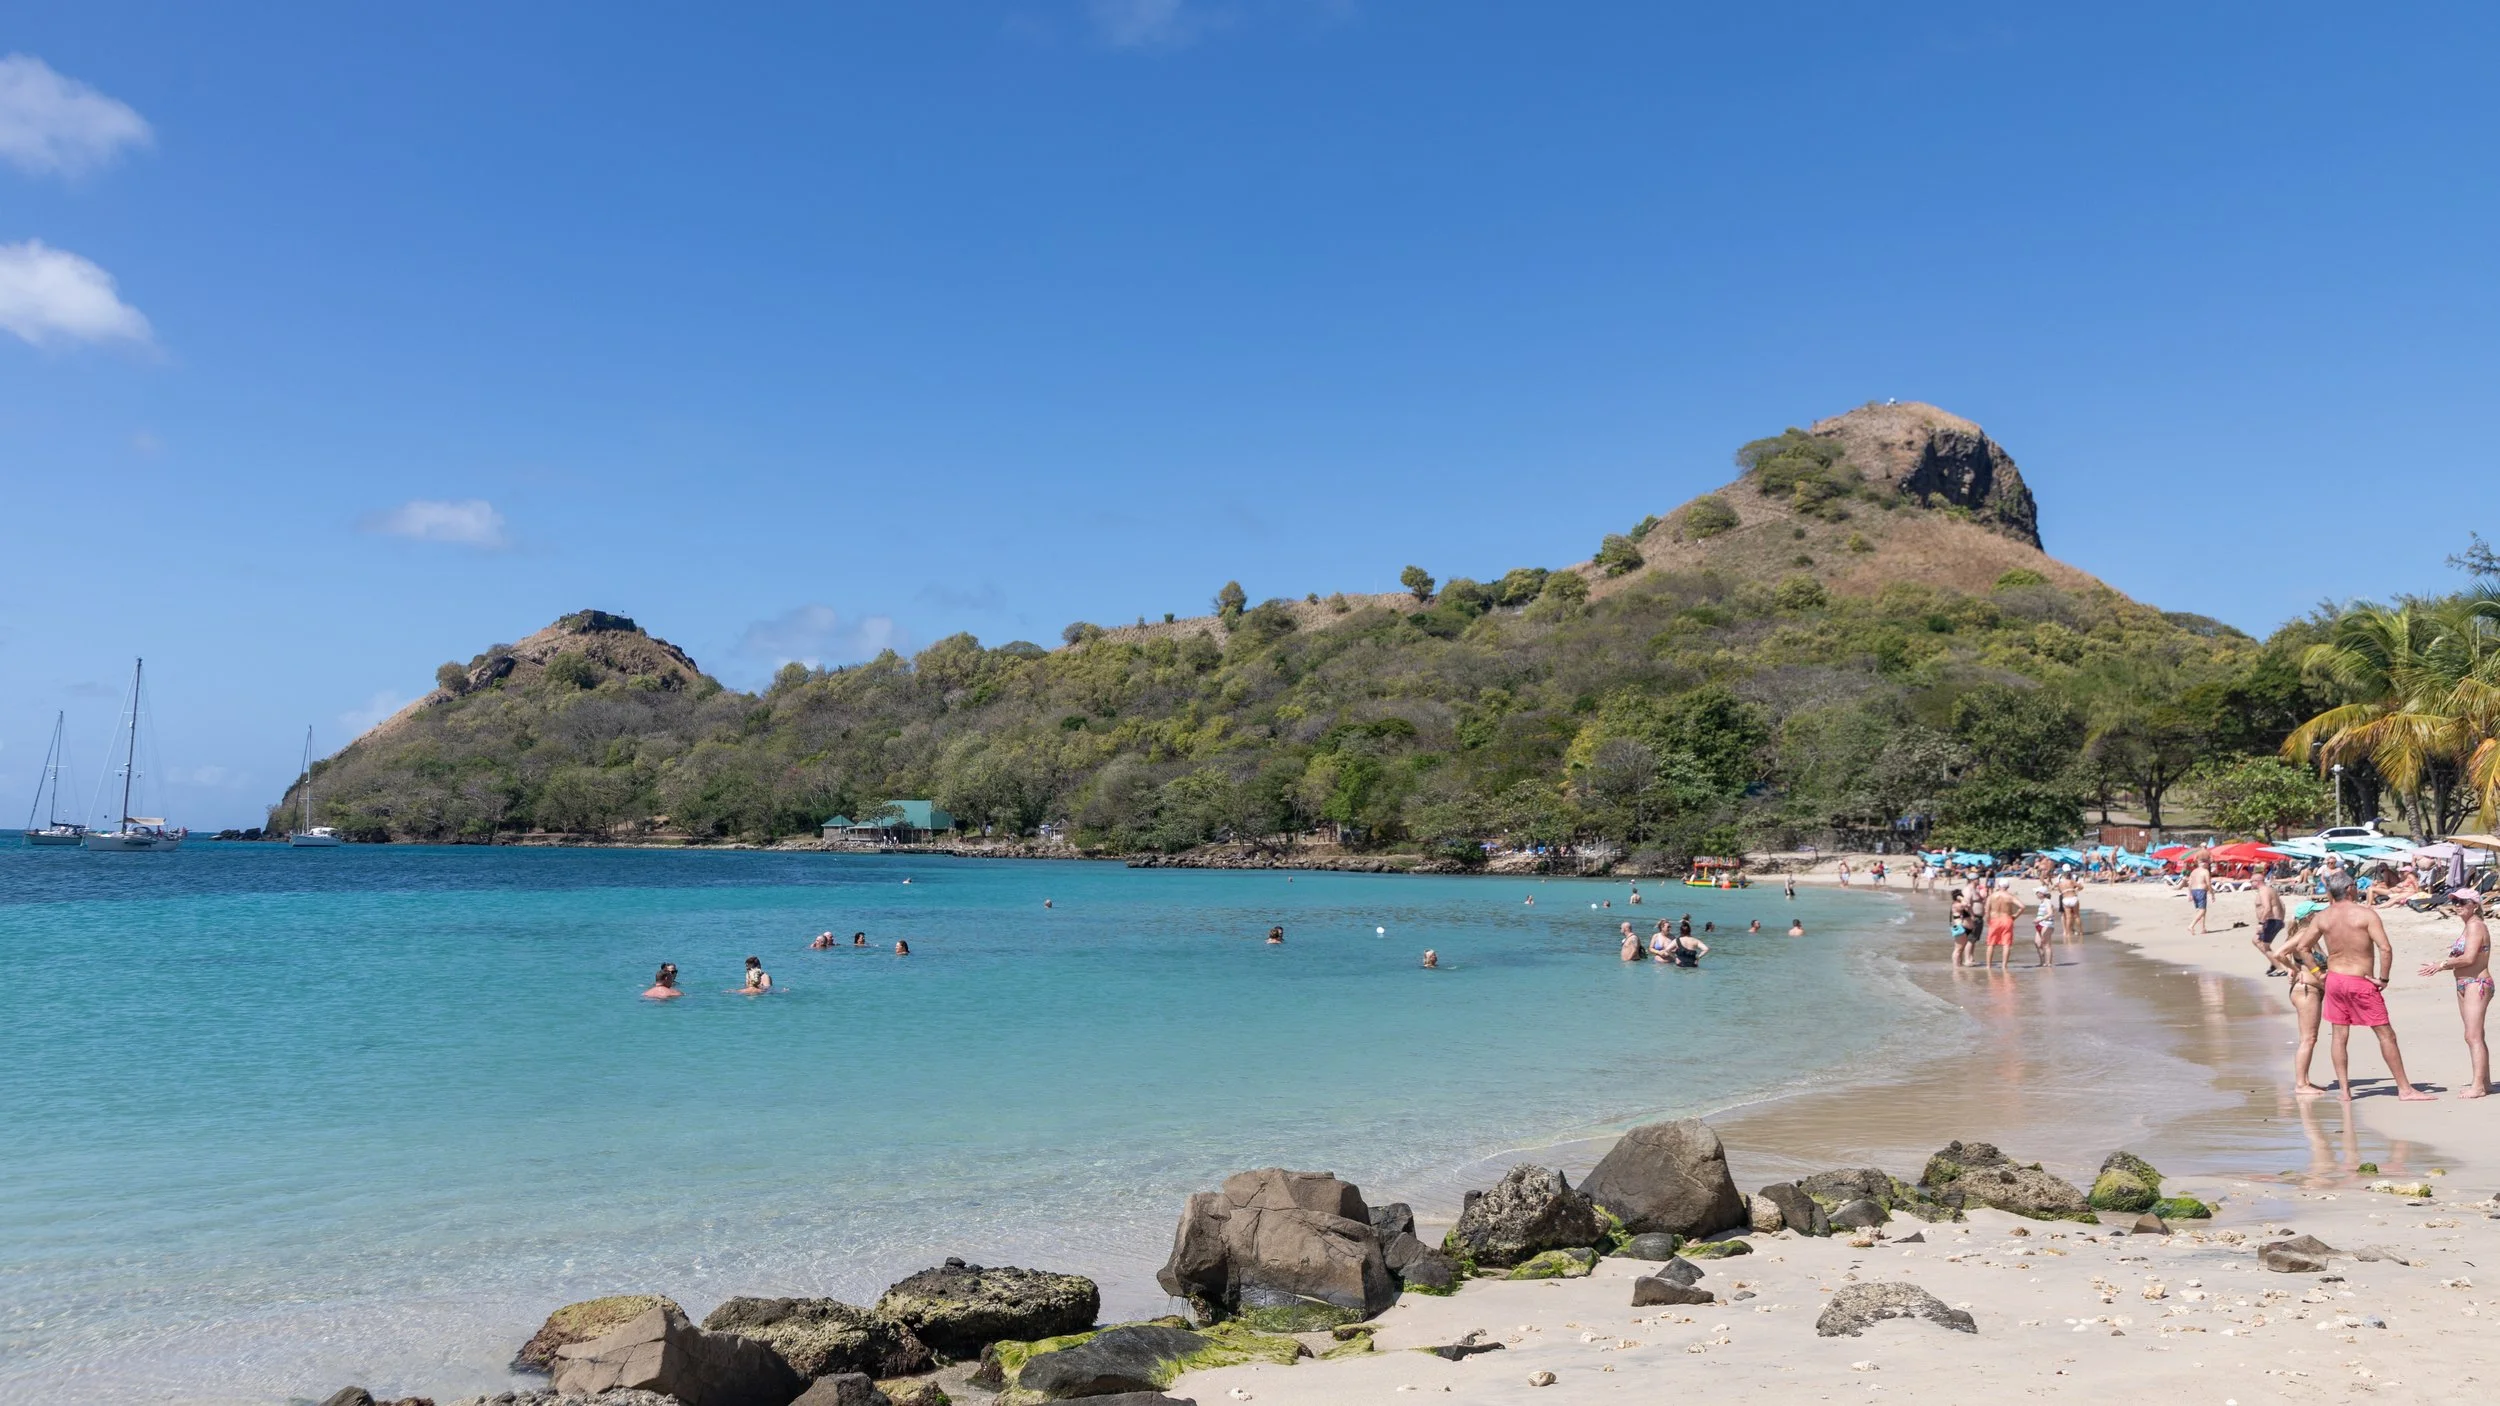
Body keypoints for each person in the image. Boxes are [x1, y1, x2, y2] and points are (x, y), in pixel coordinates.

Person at [2296, 872, 2434, 1101]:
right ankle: (2405, 1089)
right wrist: (2384, 978)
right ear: (2350, 888)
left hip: (2335, 980)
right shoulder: (2365, 914)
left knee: (2339, 1036)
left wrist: (2318, 974)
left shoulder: (2322, 917)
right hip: (2360, 980)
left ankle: (2345, 1091)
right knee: (2386, 1034)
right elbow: (2385, 948)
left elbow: (2303, 947)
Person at [2418, 890, 2492, 1098]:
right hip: (2464, 984)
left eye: (2462, 902)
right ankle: (2484, 1082)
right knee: (2476, 1034)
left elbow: (2469, 958)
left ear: (2475, 905)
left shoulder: (2476, 926)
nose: (2457, 905)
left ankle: (2478, 1087)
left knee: (2472, 1035)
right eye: (2455, 901)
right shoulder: (2468, 926)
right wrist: (2445, 963)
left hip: (2476, 983)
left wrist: (2441, 964)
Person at [2268, 901, 2332, 1094]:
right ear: (2310, 917)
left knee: (2310, 1038)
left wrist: (2293, 968)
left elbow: (2294, 956)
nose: (2322, 916)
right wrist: (2294, 970)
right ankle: (2301, 1084)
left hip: (2312, 990)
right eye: (2318, 913)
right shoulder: (2303, 934)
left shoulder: (2311, 936)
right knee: (2308, 1038)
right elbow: (2279, 953)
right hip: (2306, 991)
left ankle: (2305, 1081)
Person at [2248, 877, 2286, 969]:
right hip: (2273, 920)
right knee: (2257, 940)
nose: (2250, 883)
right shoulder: (2270, 890)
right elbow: (2282, 905)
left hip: (2271, 921)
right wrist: (2282, 919)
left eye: (2251, 881)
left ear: (2257, 881)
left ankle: (2281, 968)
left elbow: (2267, 908)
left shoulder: (2264, 891)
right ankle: (2274, 963)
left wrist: (2261, 923)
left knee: (2263, 945)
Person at [1983, 883, 2021, 972]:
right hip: (2007, 919)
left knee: (1991, 944)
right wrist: (2015, 916)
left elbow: (1987, 910)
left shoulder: (1991, 896)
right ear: (2007, 887)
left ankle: (1988, 966)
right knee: (2006, 944)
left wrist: (1988, 920)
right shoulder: (2010, 896)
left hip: (1994, 919)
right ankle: (2004, 966)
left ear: (1999, 886)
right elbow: (2022, 906)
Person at [1949, 889, 1974, 968]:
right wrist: (1961, 898)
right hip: (1961, 929)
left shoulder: (1960, 904)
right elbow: (1967, 904)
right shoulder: (1956, 905)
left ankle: (1959, 964)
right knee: (1958, 949)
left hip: (1966, 928)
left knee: (1961, 948)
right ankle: (1956, 967)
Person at [2187, 859, 2212, 935]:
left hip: (2194, 890)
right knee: (2202, 910)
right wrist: (2211, 892)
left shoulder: (2193, 871)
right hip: (2201, 890)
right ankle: (2191, 925)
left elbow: (2190, 883)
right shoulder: (2205, 871)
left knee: (2200, 910)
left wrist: (2190, 894)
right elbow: (2208, 883)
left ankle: (2203, 928)